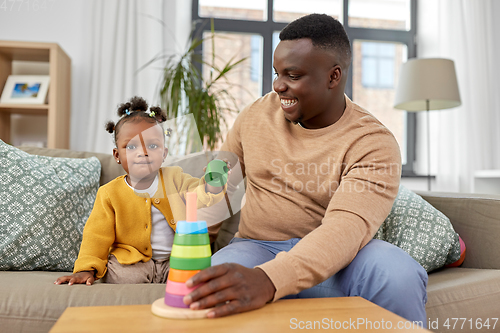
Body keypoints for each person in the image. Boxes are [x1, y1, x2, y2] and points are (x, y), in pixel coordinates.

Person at [182, 14, 428, 327]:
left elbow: (347, 227)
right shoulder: (255, 116)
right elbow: (218, 188)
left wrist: (268, 280)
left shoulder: (373, 142)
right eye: (276, 73)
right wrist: (187, 250)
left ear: (333, 76)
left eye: (292, 75)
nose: (277, 86)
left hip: (342, 259)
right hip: (257, 248)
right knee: (213, 287)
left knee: (398, 274)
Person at [55, 96, 227, 286]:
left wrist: (212, 184)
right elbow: (96, 236)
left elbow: (199, 196)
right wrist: (86, 269)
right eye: (131, 146)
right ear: (117, 155)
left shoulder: (175, 177)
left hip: (175, 258)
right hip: (133, 261)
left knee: (195, 276)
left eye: (152, 146)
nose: (143, 152)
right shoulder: (109, 193)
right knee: (121, 274)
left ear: (164, 153)